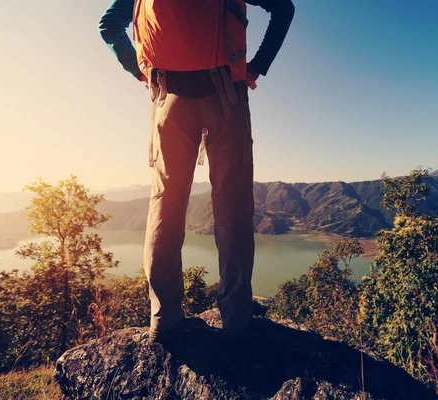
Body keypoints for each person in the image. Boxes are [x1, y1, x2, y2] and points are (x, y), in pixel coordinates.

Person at [99, 0, 295, 345]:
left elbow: (108, 26)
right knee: (231, 206)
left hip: (167, 94)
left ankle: (164, 318)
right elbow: (284, 8)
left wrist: (139, 70)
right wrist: (257, 66)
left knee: (165, 204)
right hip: (226, 94)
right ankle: (235, 319)